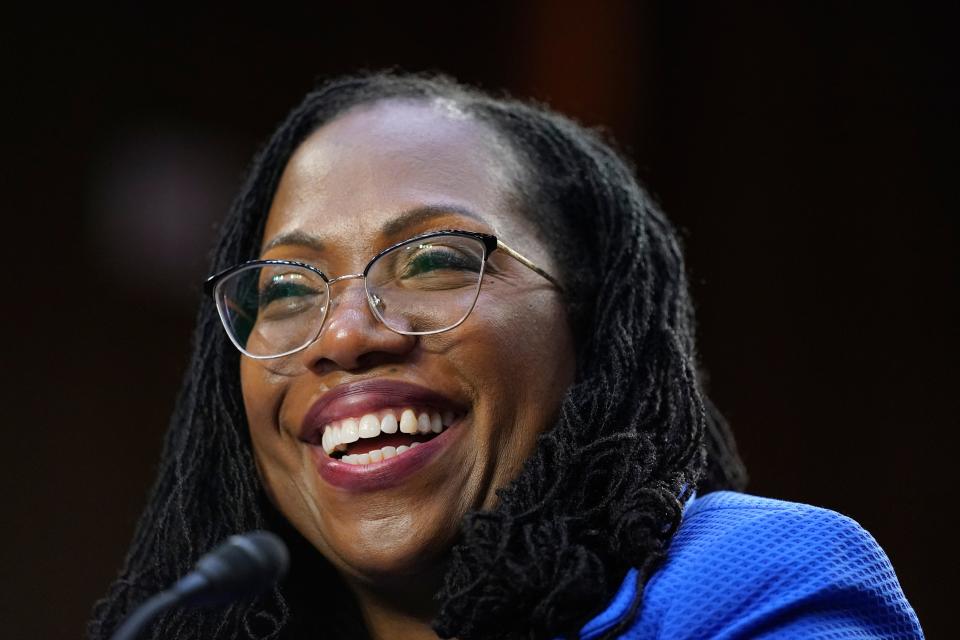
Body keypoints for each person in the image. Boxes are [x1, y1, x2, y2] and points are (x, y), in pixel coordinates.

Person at [89, 72, 923, 640]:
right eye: (287, 290)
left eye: (435, 261)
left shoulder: (759, 587)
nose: (344, 335)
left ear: (591, 320)